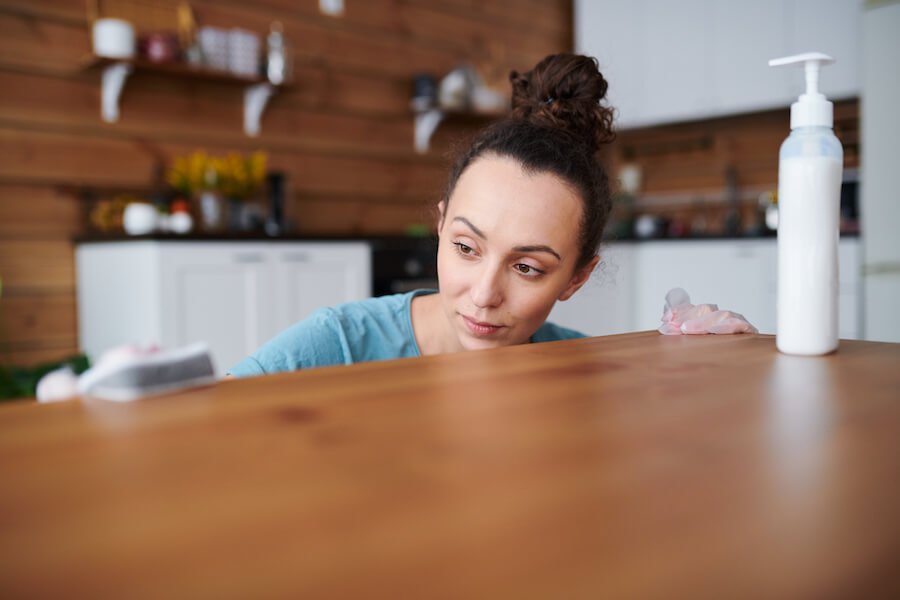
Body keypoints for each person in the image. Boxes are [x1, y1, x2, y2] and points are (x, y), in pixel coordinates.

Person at [228, 53, 615, 377]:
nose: (483, 295)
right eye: (465, 248)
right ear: (442, 224)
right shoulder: (337, 345)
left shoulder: (579, 368)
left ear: (577, 279)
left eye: (526, 268)